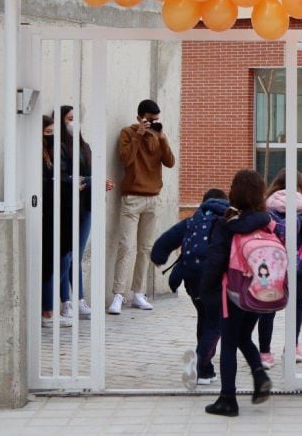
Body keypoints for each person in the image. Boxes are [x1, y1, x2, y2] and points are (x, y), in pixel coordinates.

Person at [200, 170, 274, 417]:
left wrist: (205, 289)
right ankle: (259, 374)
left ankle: (227, 399)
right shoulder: (268, 222)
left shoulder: (227, 224)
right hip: (259, 291)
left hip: (231, 292)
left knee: (230, 342)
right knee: (244, 336)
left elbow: (216, 259)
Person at [151, 188, 229, 389]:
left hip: (191, 281)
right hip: (214, 281)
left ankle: (205, 371)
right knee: (216, 324)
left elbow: (164, 242)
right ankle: (197, 362)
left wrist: (158, 258)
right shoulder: (227, 222)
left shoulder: (192, 221)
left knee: (204, 320)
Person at [257, 170, 302, 368]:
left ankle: (264, 352)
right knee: (296, 304)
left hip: (269, 268)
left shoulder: (265, 206)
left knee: (267, 307)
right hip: (295, 267)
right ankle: (292, 346)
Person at [110, 99, 176, 315]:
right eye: (149, 120)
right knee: (126, 247)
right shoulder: (128, 133)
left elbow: (170, 162)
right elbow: (125, 159)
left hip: (152, 198)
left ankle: (138, 292)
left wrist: (163, 138)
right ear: (140, 118)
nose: (153, 123)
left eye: (156, 120)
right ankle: (118, 295)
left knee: (145, 249)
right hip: (132, 198)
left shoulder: (158, 136)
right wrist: (139, 133)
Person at [57, 105, 114, 322]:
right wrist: (91, 181)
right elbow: (65, 178)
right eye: (70, 119)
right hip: (65, 207)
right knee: (65, 255)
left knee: (77, 256)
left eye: (76, 119)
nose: (74, 123)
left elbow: (88, 177)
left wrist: (99, 183)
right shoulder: (59, 147)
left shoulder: (84, 147)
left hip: (85, 207)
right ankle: (66, 302)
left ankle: (79, 299)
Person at [40, 115, 72, 328]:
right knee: (49, 264)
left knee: (64, 259)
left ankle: (51, 307)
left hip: (61, 212)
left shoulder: (56, 152)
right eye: (48, 133)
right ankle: (47, 312)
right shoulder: (36, 155)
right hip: (45, 215)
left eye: (54, 132)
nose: (52, 137)